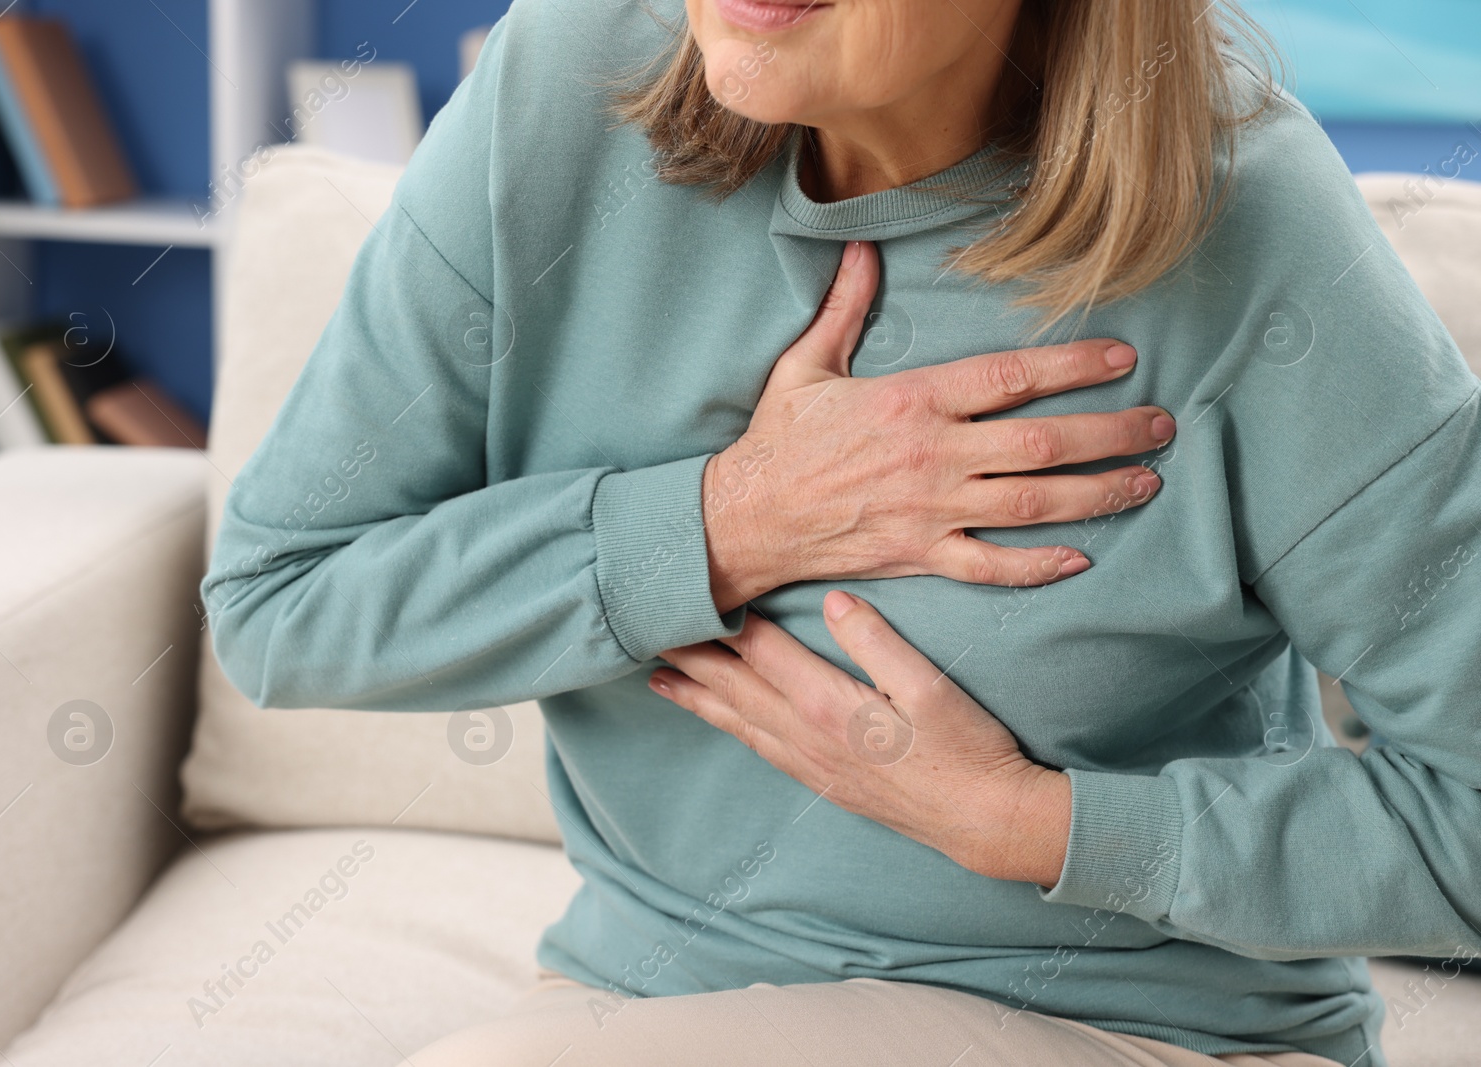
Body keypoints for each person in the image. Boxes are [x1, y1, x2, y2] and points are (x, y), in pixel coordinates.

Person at [200, 0, 1481, 1063]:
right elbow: (282, 600)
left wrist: (1035, 825)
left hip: (1130, 1026)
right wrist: (732, 517)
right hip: (646, 997)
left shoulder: (1248, 229)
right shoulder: (564, 77)